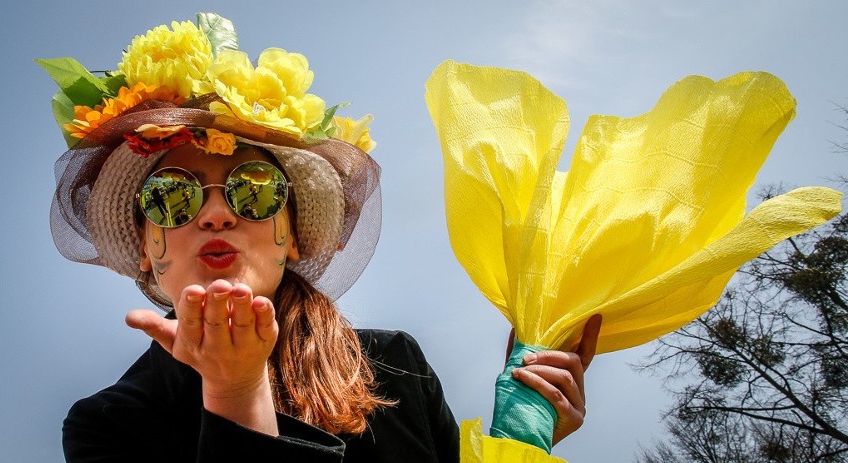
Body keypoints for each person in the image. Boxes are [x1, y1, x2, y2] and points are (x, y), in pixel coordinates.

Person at [41, 14, 601, 462]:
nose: (214, 214)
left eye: (253, 190)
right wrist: (237, 397)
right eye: (172, 195)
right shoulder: (109, 424)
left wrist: (526, 432)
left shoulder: (395, 365)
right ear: (143, 246)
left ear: (293, 238)